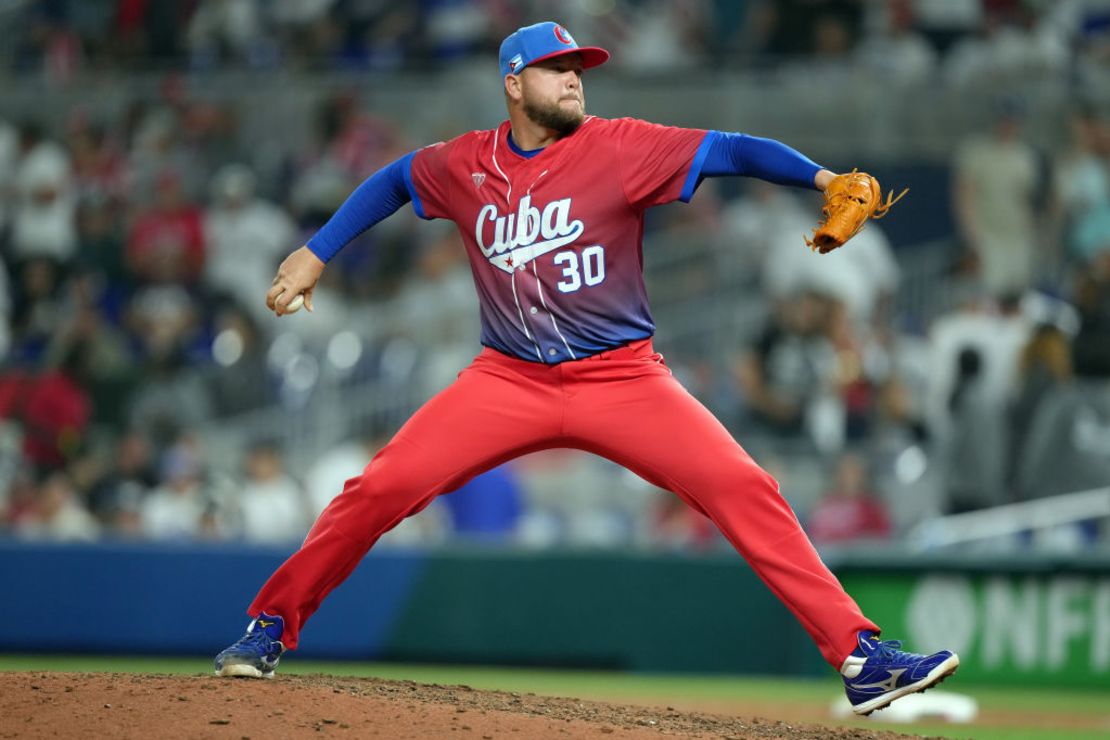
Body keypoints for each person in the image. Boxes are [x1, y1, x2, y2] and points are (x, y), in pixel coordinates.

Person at [213, 22, 958, 715]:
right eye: (557, 68)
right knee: (381, 486)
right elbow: (396, 181)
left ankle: (863, 659)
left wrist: (822, 178)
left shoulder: (623, 146)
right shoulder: (466, 163)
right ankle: (269, 625)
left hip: (622, 379)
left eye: (579, 69)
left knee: (743, 486)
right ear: (513, 82)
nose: (574, 79)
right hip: (507, 379)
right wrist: (317, 253)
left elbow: (729, 148)